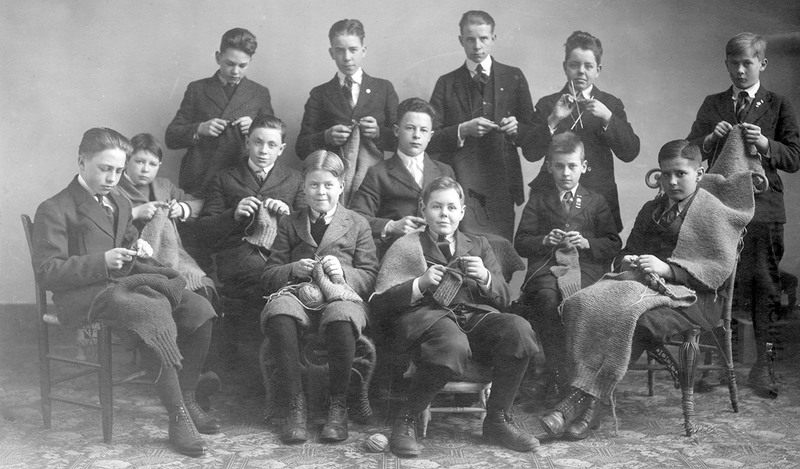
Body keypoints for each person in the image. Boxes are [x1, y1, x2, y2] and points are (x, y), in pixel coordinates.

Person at [538, 139, 753, 441]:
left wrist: (668, 269)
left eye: (681, 173)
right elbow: (627, 251)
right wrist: (627, 258)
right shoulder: (652, 209)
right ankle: (585, 401)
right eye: (666, 174)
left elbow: (717, 269)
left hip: (696, 298)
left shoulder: (713, 212)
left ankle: (585, 406)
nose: (672, 181)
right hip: (646, 288)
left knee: (632, 318)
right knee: (583, 303)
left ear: (700, 173)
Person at [32, 128, 219, 457]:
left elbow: (126, 236)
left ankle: (187, 396)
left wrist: (138, 245)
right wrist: (102, 262)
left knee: (197, 307)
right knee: (148, 310)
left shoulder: (117, 199)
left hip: (121, 284)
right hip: (83, 294)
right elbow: (48, 272)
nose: (112, 177)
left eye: (118, 170)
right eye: (105, 169)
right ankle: (177, 416)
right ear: (81, 161)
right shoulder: (55, 208)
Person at [371, 176, 539, 457]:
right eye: (437, 207)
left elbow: (504, 298)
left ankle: (497, 419)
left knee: (519, 329)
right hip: (427, 319)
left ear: (462, 211)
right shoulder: (407, 245)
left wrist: (485, 276)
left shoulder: (479, 245)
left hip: (473, 317)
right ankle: (407, 417)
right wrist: (419, 284)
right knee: (452, 344)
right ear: (423, 209)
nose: (444, 214)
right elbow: (380, 303)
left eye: (451, 207)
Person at [687, 32, 800, 398]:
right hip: (719, 208)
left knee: (765, 287)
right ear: (726, 64)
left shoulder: (778, 104)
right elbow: (690, 152)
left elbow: (795, 157)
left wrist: (767, 145)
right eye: (733, 63)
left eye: (747, 63)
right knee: (717, 283)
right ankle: (720, 363)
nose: (739, 70)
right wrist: (707, 141)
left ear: (762, 64)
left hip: (764, 210)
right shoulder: (713, 103)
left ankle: (763, 366)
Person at [260, 151, 378, 444]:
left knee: (341, 316)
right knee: (279, 311)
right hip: (298, 294)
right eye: (314, 185)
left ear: (341, 186)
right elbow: (269, 273)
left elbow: (371, 275)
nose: (321, 192)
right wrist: (292, 268)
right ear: (304, 187)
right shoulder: (290, 222)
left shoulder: (357, 223)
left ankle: (337, 408)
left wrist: (345, 272)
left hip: (341, 297)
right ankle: (294, 407)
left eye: (328, 185)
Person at [513, 132, 621, 400]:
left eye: (572, 166)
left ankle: (581, 375)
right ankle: (557, 373)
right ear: (549, 166)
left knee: (581, 301)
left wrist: (586, 243)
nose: (565, 173)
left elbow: (613, 243)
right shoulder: (539, 199)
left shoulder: (596, 201)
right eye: (559, 166)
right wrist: (544, 240)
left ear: (583, 167)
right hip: (547, 268)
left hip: (585, 268)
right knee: (548, 298)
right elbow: (521, 243)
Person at [427, 10, 536, 240]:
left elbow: (532, 132)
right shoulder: (446, 83)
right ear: (461, 41)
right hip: (462, 181)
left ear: (493, 39)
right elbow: (430, 137)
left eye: (483, 38)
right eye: (470, 39)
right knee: (466, 248)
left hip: (502, 181)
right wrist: (462, 129)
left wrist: (517, 128)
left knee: (501, 245)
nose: (477, 45)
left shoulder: (513, 76)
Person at [524, 31, 640, 233]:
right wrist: (553, 119)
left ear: (598, 70)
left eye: (588, 66)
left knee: (596, 257)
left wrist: (608, 118)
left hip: (598, 199)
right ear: (565, 67)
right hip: (552, 199)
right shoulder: (548, 104)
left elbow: (630, 152)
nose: (581, 72)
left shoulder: (611, 104)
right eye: (574, 65)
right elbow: (530, 153)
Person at [196, 115, 303, 301]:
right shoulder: (224, 177)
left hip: (281, 257)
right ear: (247, 142)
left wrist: (288, 215)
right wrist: (233, 215)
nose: (263, 150)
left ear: (281, 149)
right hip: (236, 260)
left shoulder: (295, 179)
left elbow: (309, 229)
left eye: (271, 145)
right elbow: (204, 231)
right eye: (258, 142)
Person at [295, 19, 398, 205]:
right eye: (340, 50)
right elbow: (301, 148)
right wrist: (326, 137)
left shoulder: (383, 89)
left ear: (363, 51)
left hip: (375, 181)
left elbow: (402, 141)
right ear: (331, 53)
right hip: (333, 184)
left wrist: (378, 133)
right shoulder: (320, 94)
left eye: (353, 50)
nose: (347, 57)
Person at [165, 27, 274, 197]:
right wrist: (199, 129)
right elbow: (171, 137)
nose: (235, 71)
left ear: (250, 61)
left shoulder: (259, 93)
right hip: (201, 177)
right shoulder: (198, 89)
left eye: (242, 65)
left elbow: (275, 137)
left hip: (243, 178)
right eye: (230, 64)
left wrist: (255, 128)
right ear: (218, 57)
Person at [351, 97, 455, 256]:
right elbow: (355, 217)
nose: (417, 136)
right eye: (410, 128)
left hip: (439, 251)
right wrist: (391, 226)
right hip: (395, 252)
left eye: (423, 130)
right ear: (396, 131)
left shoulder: (444, 171)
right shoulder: (378, 172)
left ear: (430, 136)